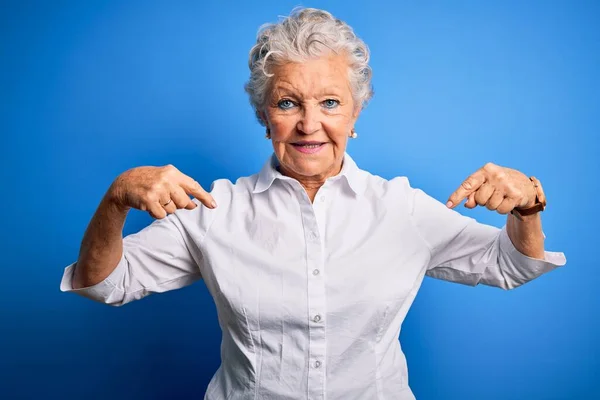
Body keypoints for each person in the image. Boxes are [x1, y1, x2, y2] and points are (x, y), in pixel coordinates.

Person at [59, 7, 566, 400]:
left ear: (355, 113)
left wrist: (529, 204)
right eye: (287, 103)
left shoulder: (402, 209)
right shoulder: (213, 211)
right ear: (264, 115)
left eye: (329, 103)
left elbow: (514, 264)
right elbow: (101, 283)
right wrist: (116, 197)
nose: (308, 124)